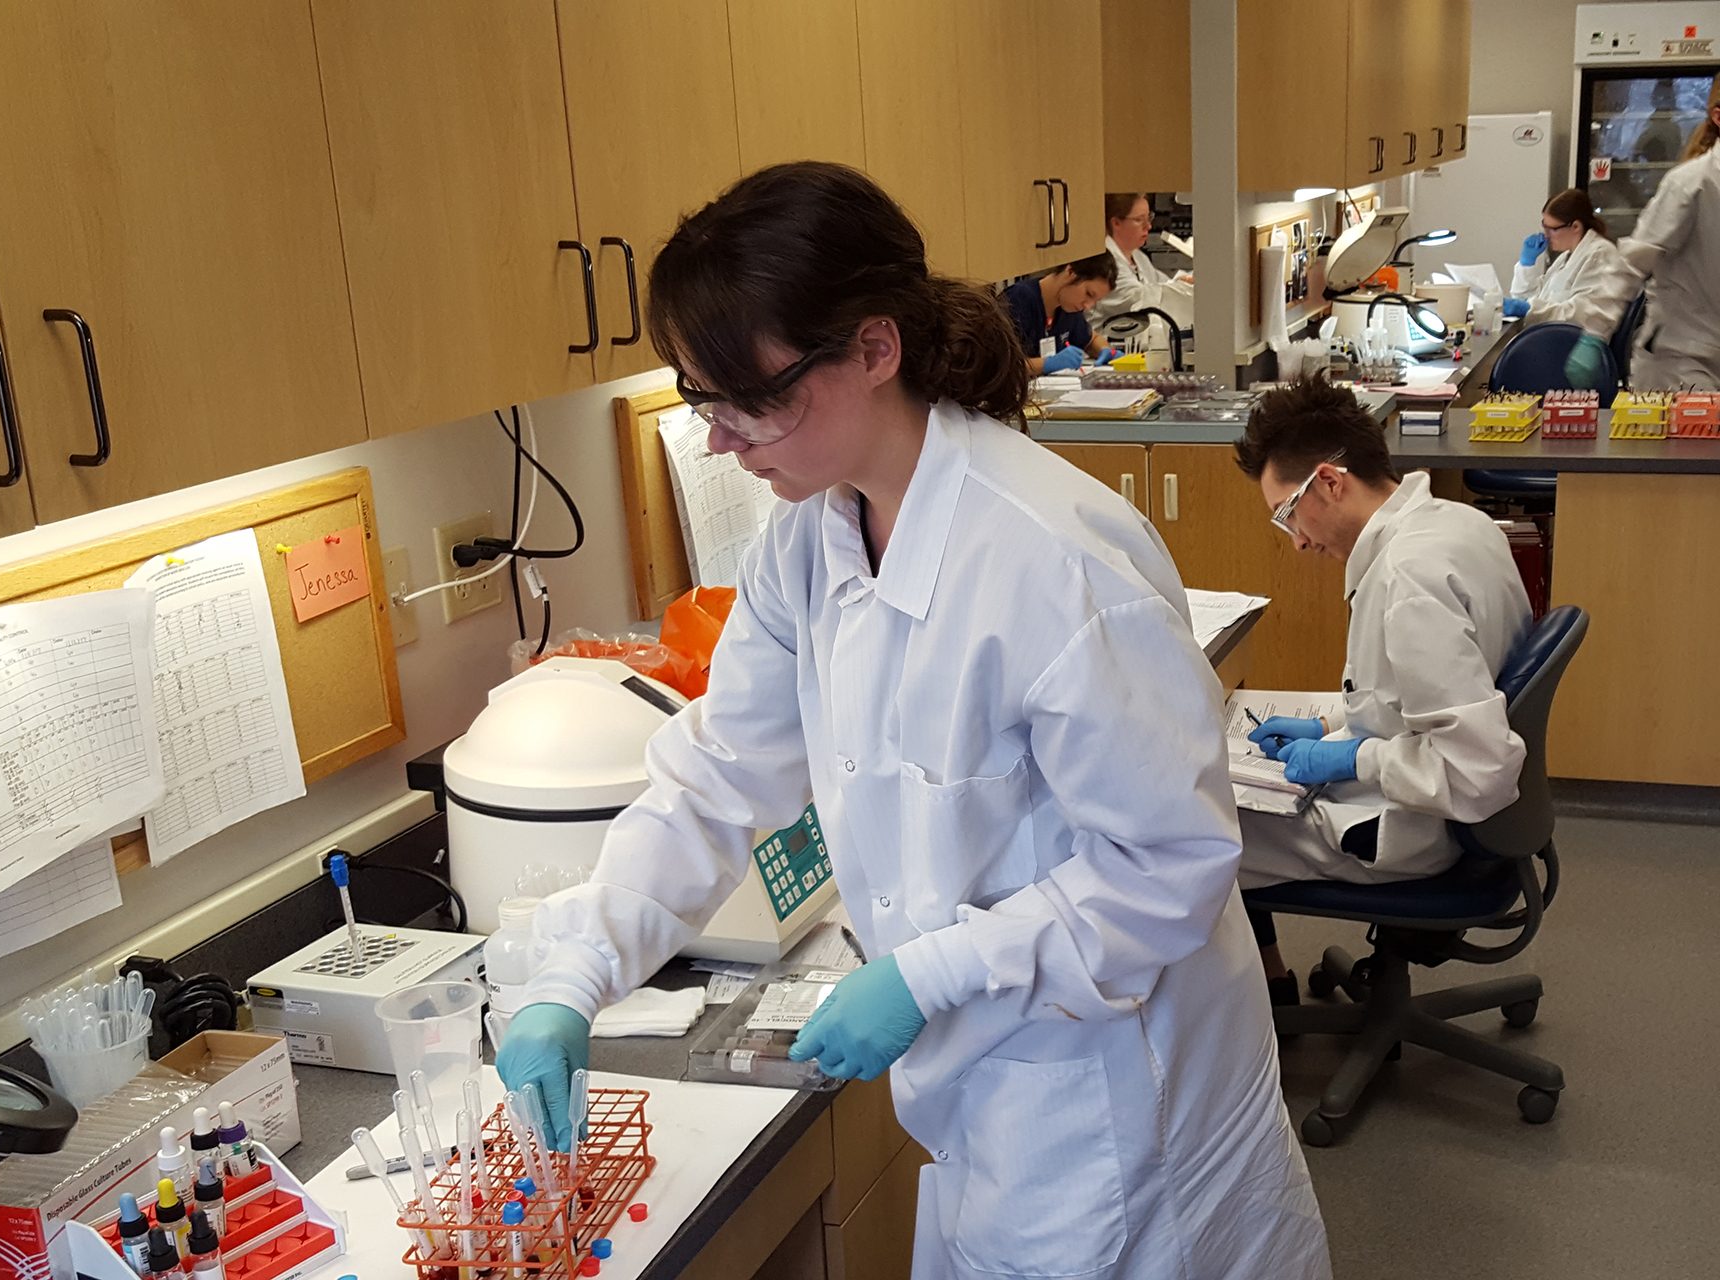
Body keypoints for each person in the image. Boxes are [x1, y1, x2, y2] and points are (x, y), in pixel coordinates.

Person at [496, 162, 1330, 1279]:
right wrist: (572, 972)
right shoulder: (807, 541)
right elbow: (716, 775)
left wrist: (928, 973)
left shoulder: (1054, 560)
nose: (722, 441)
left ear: (875, 348)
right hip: (990, 1103)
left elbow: (1168, 869)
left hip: (1127, 1111)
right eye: (703, 399)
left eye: (751, 398)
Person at [1231, 377, 1532, 1000]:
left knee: (1195, 832)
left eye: (1288, 514)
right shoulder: (1454, 522)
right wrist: (1330, 730)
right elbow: (1413, 701)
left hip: (1417, 827)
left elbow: (1475, 770)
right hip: (1444, 806)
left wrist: (1350, 754)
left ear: (1330, 482)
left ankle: (1266, 999)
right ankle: (1268, 984)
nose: (1297, 541)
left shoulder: (1409, 580)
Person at [1567, 74, 1720, 390]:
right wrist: (1595, 334)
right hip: (1683, 361)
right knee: (1692, 439)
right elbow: (1633, 261)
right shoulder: (1691, 183)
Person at [1504, 189, 1623, 326]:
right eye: (1545, 226)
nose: (1546, 235)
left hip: (1573, 342)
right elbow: (1533, 298)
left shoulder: (1600, 255)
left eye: (1552, 229)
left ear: (1575, 226)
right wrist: (1527, 264)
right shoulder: (1566, 257)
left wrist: (1530, 309)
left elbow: (1583, 315)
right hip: (1553, 335)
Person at [1001, 252, 1119, 374]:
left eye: (1095, 301)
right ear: (1070, 272)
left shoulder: (1068, 307)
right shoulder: (1018, 299)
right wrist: (1046, 364)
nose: (1088, 306)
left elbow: (1091, 338)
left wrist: (1104, 350)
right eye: (1088, 294)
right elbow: (999, 367)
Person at [1096, 192, 1192, 324]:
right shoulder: (1103, 261)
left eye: (1149, 218)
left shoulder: (1138, 256)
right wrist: (1180, 287)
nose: (1148, 226)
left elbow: (1162, 282)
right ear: (1116, 223)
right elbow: (1136, 298)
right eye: (1139, 220)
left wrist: (1183, 281)